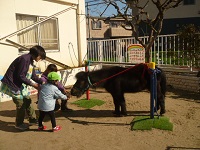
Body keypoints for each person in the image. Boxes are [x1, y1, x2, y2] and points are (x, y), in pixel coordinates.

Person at [0, 45, 46, 131]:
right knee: (20, 103)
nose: (40, 60)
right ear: (38, 55)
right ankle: (19, 123)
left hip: (20, 85)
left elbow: (33, 76)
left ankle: (32, 119)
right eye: (41, 58)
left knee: (27, 100)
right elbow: (20, 76)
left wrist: (43, 82)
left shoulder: (31, 61)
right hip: (14, 85)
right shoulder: (24, 59)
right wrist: (34, 85)